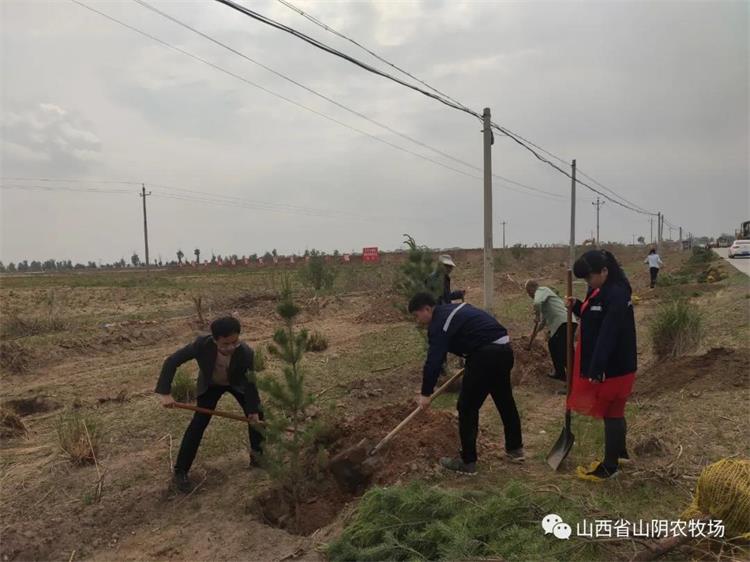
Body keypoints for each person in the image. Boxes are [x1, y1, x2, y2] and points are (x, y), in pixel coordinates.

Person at [408, 293, 523, 474]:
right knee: (504, 399)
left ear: (427, 309)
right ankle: (515, 449)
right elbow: (472, 331)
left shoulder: (438, 323)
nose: (418, 321)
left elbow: (434, 360)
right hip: (504, 350)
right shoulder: (451, 310)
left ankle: (468, 462)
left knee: (467, 407)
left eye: (417, 315)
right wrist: (471, 355)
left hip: (485, 355)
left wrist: (425, 393)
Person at [155, 316, 263, 492]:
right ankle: (181, 472)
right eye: (225, 344)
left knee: (257, 417)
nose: (230, 348)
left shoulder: (245, 353)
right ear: (214, 340)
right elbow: (172, 362)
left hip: (237, 384)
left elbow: (250, 383)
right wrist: (165, 393)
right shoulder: (201, 345)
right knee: (199, 423)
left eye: (234, 342)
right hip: (211, 385)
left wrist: (252, 410)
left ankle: (259, 458)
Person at [567, 250, 637, 481]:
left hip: (616, 364)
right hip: (610, 361)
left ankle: (610, 466)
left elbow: (609, 333)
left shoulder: (616, 294)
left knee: (612, 413)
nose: (588, 282)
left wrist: (597, 368)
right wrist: (577, 306)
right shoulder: (601, 290)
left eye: (589, 277)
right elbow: (594, 318)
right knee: (616, 410)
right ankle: (621, 453)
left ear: (604, 271)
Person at [524, 280, 578, 382]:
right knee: (553, 344)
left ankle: (574, 380)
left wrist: (536, 315)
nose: (529, 295)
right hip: (565, 323)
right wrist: (534, 333)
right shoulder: (545, 302)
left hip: (564, 323)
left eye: (528, 292)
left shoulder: (542, 290)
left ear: (532, 289)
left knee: (564, 351)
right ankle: (560, 373)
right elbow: (543, 321)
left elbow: (537, 302)